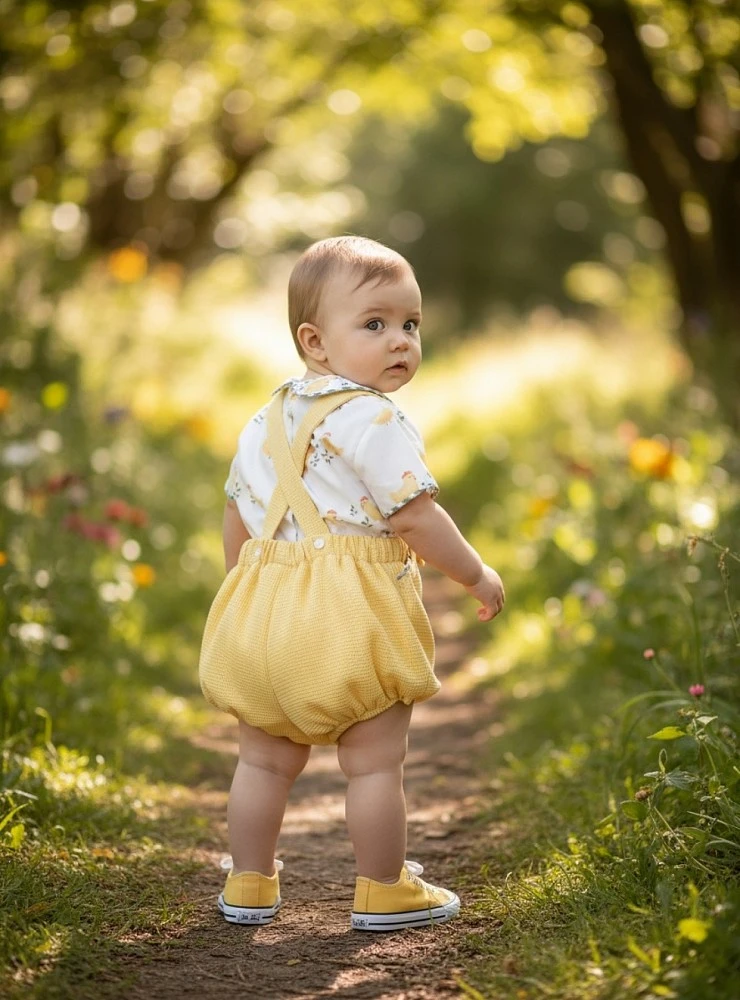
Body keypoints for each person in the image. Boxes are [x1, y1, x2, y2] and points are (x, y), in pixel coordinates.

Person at [199, 235, 505, 932]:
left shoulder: (261, 419)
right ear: (316, 341)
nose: (399, 340)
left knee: (263, 760)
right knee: (372, 766)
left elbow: (234, 515)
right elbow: (415, 516)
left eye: (410, 324)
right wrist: (475, 574)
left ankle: (248, 884)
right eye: (374, 324)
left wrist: (248, 596)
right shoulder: (373, 416)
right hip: (350, 615)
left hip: (264, 609)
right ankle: (383, 888)